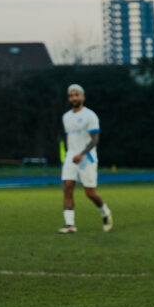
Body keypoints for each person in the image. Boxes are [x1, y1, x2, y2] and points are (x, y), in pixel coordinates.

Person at [59, 84, 112, 233]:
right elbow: (68, 137)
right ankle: (70, 225)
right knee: (67, 187)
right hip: (71, 157)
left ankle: (105, 212)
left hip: (87, 158)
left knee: (90, 193)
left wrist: (81, 154)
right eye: (71, 95)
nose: (74, 98)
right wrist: (69, 154)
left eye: (76, 95)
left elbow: (95, 139)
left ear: (83, 97)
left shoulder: (90, 116)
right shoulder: (66, 117)